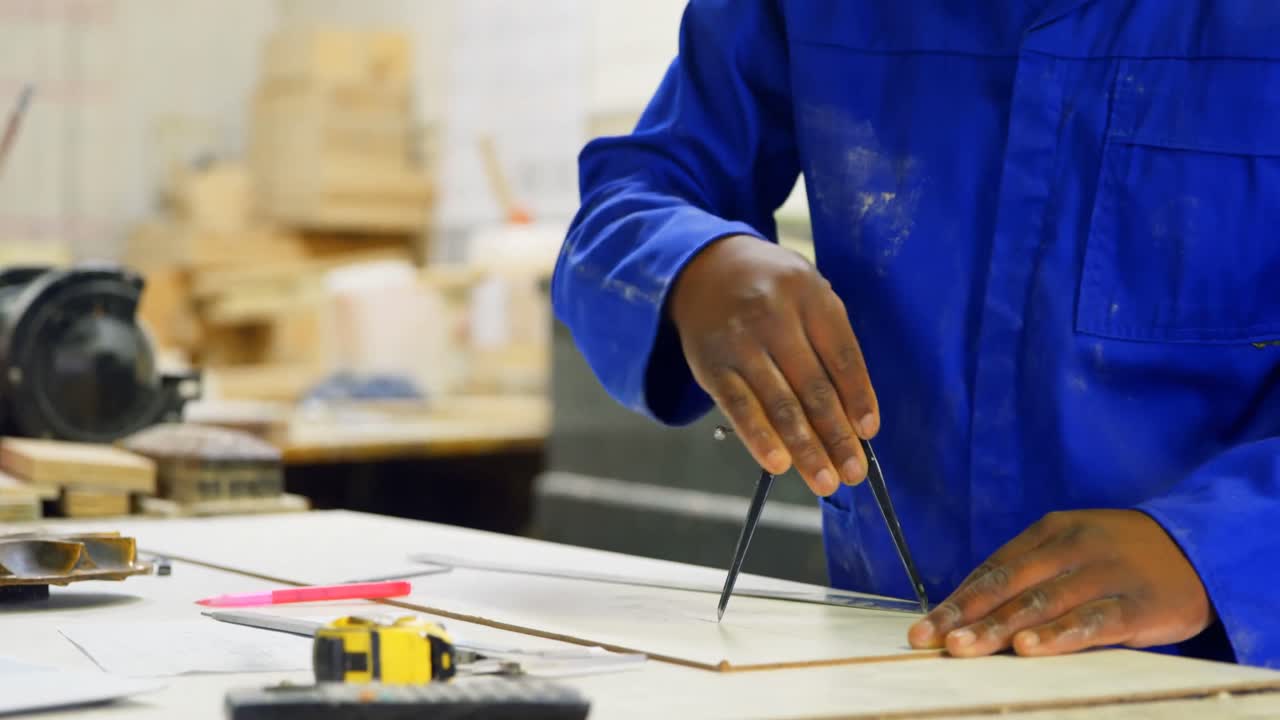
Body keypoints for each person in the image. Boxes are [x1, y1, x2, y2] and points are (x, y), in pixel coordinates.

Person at [552, 1, 1280, 668]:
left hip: (1219, 666)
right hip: (897, 657)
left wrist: (1224, 549)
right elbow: (634, 201)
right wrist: (692, 265)